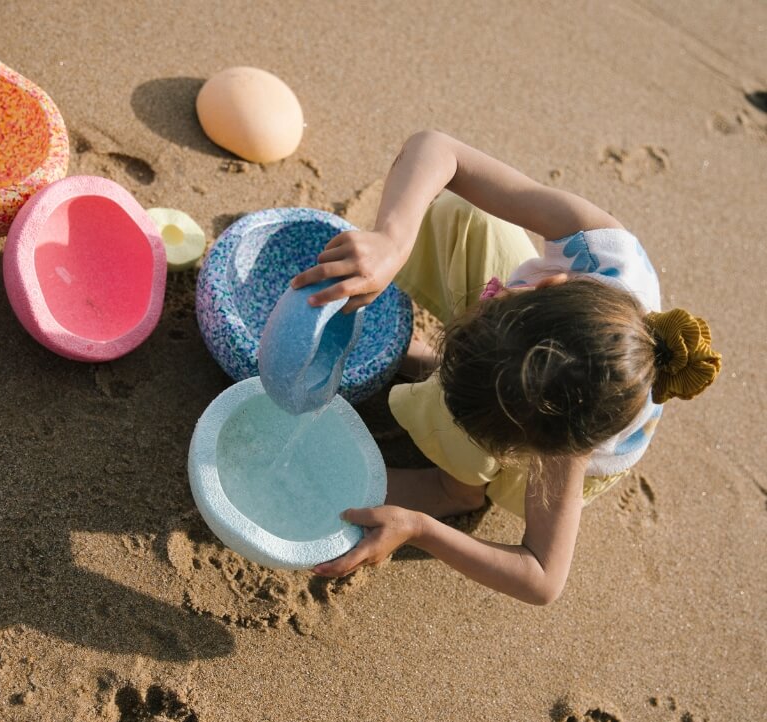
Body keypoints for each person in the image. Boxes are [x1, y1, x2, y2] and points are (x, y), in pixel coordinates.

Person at [292, 130, 721, 604]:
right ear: (547, 285)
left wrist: (419, 529)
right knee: (463, 213)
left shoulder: (565, 446)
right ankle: (442, 372)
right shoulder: (601, 248)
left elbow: (541, 578)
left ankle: (455, 488)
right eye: (489, 309)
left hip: (557, 439)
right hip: (551, 367)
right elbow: (438, 150)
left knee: (460, 414)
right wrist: (392, 241)